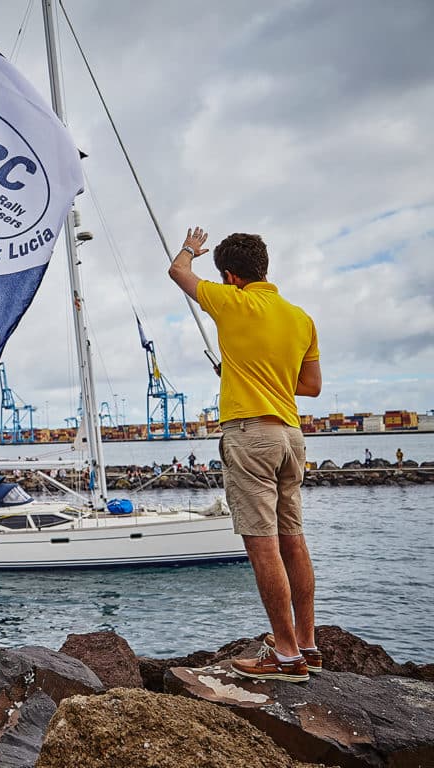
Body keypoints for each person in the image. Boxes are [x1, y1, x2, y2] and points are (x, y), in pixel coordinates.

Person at [169, 226, 322, 683]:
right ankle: (308, 645)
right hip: (291, 436)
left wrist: (191, 249)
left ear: (231, 276)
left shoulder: (231, 301)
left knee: (262, 547)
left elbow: (177, 270)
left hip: (251, 434)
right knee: (293, 539)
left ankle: (287, 656)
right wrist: (268, 375)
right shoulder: (300, 318)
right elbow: (311, 387)